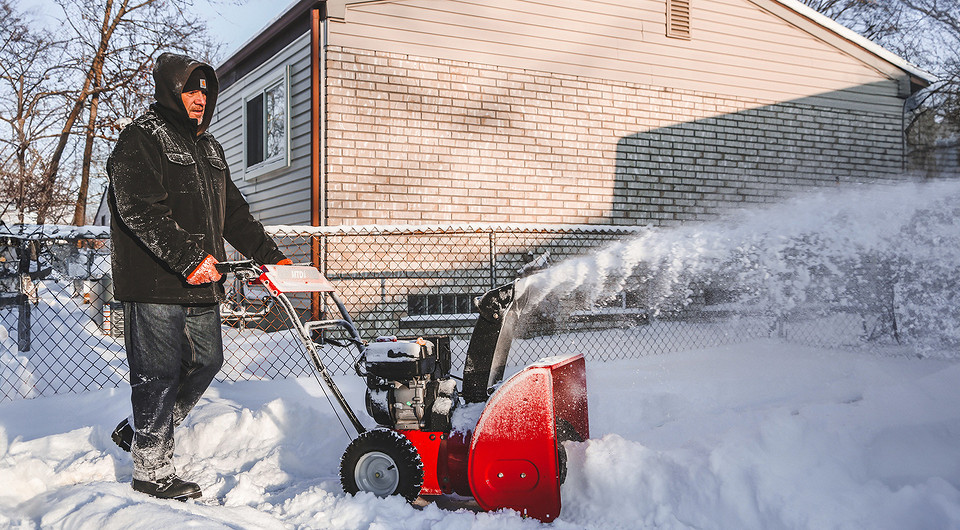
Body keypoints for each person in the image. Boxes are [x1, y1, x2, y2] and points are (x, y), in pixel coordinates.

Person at [106, 52, 291, 501]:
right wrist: (188, 257)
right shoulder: (141, 138)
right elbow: (138, 208)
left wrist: (274, 258)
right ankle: (151, 471)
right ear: (171, 89)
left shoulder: (210, 148)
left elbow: (235, 216)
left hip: (202, 281)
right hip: (155, 281)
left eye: (207, 92)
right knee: (158, 372)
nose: (200, 100)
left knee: (207, 361)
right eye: (191, 90)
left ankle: (143, 433)